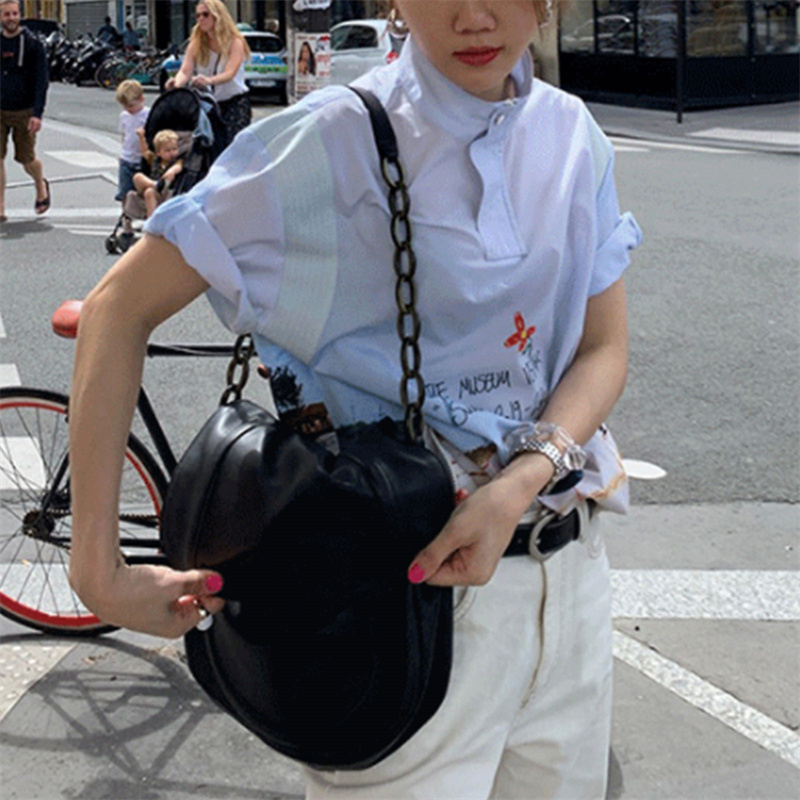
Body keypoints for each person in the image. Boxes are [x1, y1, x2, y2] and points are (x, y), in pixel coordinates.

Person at [68, 2, 642, 798]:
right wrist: (96, 569)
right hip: (398, 593)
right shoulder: (329, 139)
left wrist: (520, 481)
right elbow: (117, 308)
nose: (475, 15)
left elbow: (601, 347)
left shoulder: (572, 133)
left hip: (568, 578)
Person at [165, 0, 251, 146]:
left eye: (205, 14)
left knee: (231, 146)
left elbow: (230, 73)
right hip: (209, 103)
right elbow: (185, 71)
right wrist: (176, 83)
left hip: (234, 102)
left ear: (218, 16)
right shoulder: (196, 42)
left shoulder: (235, 42)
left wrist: (208, 80)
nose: (201, 19)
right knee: (208, 145)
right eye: (198, 15)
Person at [0, 0, 50, 223]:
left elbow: (41, 81)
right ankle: (0, 207)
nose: (11, 18)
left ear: (19, 15)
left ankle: (40, 184)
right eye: (6, 14)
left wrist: (37, 114)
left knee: (26, 160)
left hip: (25, 110)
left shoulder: (32, 44)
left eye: (14, 14)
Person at [117, 129, 183, 251]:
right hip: (154, 186)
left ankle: (152, 223)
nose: (172, 153)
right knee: (137, 176)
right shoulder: (155, 160)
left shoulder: (177, 161)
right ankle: (155, 184)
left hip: (166, 192)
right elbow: (144, 151)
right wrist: (141, 137)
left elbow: (179, 166)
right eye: (167, 150)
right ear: (158, 152)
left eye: (174, 149)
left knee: (149, 192)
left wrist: (171, 171)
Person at [114, 79, 149, 215]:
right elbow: (124, 135)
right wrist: (122, 151)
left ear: (141, 99)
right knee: (124, 192)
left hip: (141, 158)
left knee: (141, 192)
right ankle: (125, 218)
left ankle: (141, 214)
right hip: (127, 158)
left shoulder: (147, 114)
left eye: (131, 105)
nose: (128, 109)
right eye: (124, 106)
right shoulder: (124, 116)